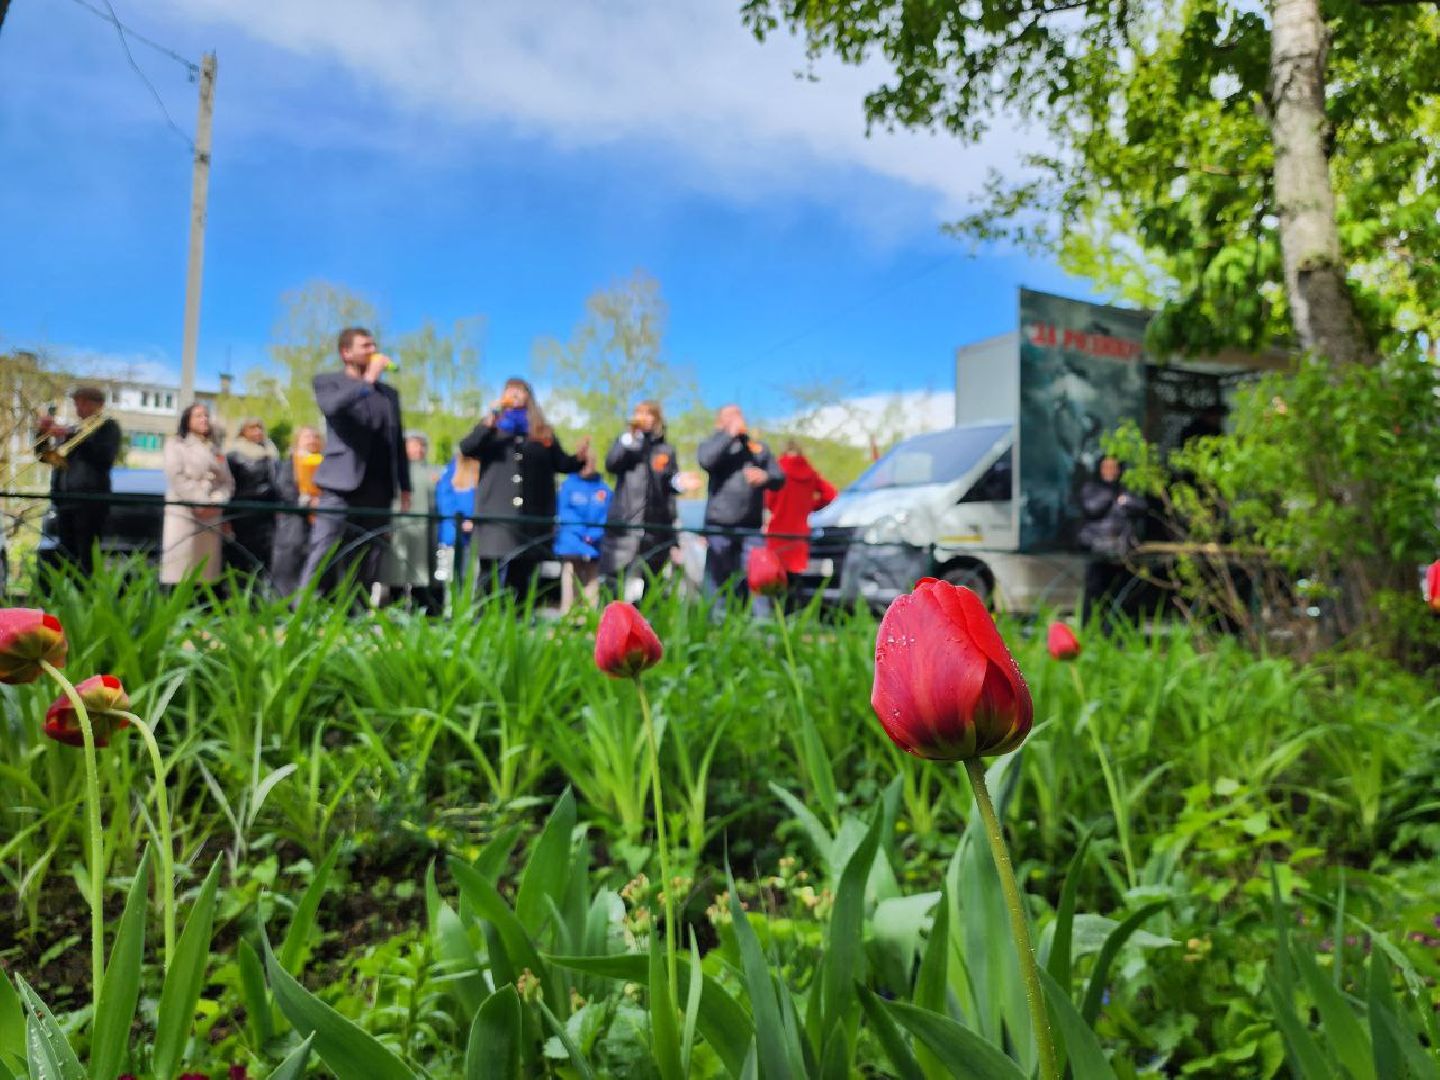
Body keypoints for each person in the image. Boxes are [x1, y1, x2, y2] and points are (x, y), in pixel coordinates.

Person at [298, 327, 411, 598]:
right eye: (365, 346)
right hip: (341, 484)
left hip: (379, 488)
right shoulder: (328, 382)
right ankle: (304, 610)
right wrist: (368, 380)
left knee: (367, 556)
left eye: (374, 345)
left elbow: (396, 440)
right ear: (346, 352)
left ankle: (354, 616)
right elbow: (333, 408)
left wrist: (404, 486)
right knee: (324, 550)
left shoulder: (389, 394)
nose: (373, 350)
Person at [458, 378, 588, 598]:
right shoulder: (494, 429)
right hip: (495, 512)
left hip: (530, 513)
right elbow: (467, 447)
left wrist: (579, 458)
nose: (515, 394)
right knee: (490, 571)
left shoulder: (542, 433)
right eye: (510, 390)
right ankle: (483, 621)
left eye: (520, 390)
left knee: (522, 573)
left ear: (529, 396)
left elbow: (562, 463)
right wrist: (489, 421)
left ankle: (517, 622)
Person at [599, 400, 697, 593]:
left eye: (649, 413)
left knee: (653, 585)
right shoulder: (627, 443)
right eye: (639, 413)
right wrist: (630, 436)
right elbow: (611, 463)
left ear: (657, 419)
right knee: (613, 584)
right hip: (625, 526)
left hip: (655, 529)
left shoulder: (665, 450)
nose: (644, 418)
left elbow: (669, 483)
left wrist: (680, 483)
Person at [696, 404, 784, 598]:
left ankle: (761, 625)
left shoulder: (757, 448)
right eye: (730, 416)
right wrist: (729, 435)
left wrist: (766, 477)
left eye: (739, 415)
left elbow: (779, 478)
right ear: (720, 421)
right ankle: (714, 624)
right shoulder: (712, 444)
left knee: (760, 575)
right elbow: (706, 461)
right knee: (716, 579)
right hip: (719, 524)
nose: (737, 419)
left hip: (751, 526)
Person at [37, 386, 122, 577]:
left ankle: (86, 596)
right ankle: (68, 594)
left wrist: (69, 435)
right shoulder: (74, 429)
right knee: (66, 554)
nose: (79, 407)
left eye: (84, 402)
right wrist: (42, 434)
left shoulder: (107, 427)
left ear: (98, 405)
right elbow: (47, 457)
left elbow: (103, 456)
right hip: (64, 500)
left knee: (87, 555)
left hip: (90, 501)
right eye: (77, 403)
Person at [161, 403, 235, 586]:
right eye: (199, 416)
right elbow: (176, 477)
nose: (205, 419)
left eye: (207, 415)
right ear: (187, 420)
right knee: (182, 569)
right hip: (185, 513)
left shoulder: (215, 448)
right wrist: (200, 502)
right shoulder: (176, 444)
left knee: (206, 572)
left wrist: (216, 502)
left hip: (210, 514)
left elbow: (227, 482)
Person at [1077, 455, 1145, 630]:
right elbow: (1093, 507)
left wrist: (1124, 500)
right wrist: (1115, 496)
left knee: (1123, 593)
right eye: (1106, 467)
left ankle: (1118, 633)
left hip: (1122, 552)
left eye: (1113, 467)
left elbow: (1140, 506)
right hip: (1098, 551)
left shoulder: (1127, 489)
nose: (1110, 471)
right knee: (1094, 593)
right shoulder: (1092, 488)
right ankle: (1089, 630)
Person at [380, 433, 441, 612]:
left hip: (426, 530)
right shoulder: (394, 470)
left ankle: (421, 609)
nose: (418, 450)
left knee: (422, 572)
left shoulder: (434, 472)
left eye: (422, 446)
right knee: (397, 570)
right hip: (400, 527)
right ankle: (394, 609)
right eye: (414, 445)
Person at [764, 440, 837, 575]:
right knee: (796, 575)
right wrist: (810, 506)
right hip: (800, 532)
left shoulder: (778, 469)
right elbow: (830, 493)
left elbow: (768, 500)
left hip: (778, 530)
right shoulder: (809, 471)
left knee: (775, 577)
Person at [554, 448, 612, 614]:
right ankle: (568, 614)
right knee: (570, 576)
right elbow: (564, 511)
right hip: (571, 541)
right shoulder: (568, 486)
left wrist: (593, 534)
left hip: (594, 542)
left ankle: (588, 615)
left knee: (592, 580)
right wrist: (581, 532)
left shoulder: (603, 489)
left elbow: (607, 514)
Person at [271, 426, 323, 597]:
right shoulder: (290, 464)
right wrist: (308, 501)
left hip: (319, 523)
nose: (312, 440)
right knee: (288, 567)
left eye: (315, 436)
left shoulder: (324, 463)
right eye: (307, 436)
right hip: (293, 524)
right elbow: (284, 490)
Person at [224, 417, 280, 576]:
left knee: (267, 556)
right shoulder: (235, 455)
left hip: (268, 514)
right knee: (244, 556)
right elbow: (229, 485)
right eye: (252, 428)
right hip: (245, 513)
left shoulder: (270, 452)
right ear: (243, 431)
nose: (257, 432)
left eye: (260, 428)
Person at [435, 450, 480, 593]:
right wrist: (460, 522)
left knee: (473, 577)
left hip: (475, 534)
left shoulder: (479, 473)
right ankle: (451, 610)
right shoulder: (451, 473)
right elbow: (445, 501)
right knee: (452, 577)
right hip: (453, 535)